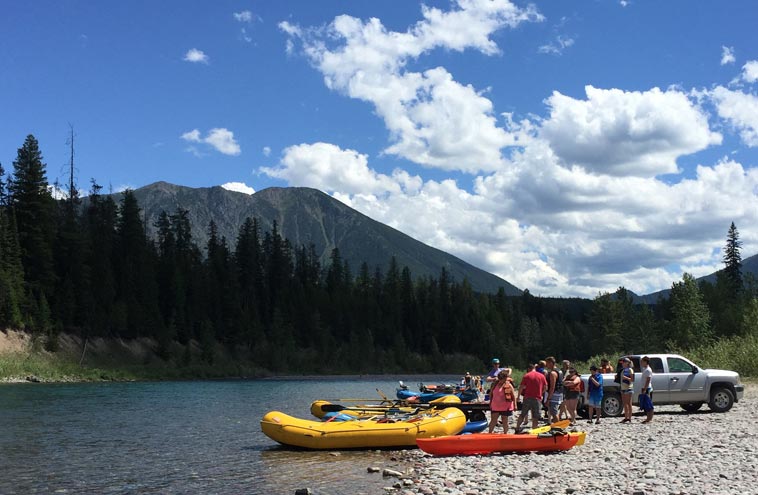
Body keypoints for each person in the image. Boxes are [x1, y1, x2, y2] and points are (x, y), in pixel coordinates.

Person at [515, 363, 547, 431]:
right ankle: (534, 429)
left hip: (527, 397)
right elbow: (545, 387)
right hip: (537, 398)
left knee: (523, 414)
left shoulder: (526, 376)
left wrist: (518, 396)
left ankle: (517, 427)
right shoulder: (542, 376)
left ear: (529, 369)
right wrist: (541, 393)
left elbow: (521, 387)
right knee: (535, 416)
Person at [488, 368, 517, 433]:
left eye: (504, 379)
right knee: (493, 420)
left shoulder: (509, 385)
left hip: (505, 406)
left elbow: (513, 396)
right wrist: (490, 403)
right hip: (495, 406)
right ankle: (490, 433)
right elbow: (491, 394)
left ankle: (505, 433)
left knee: (505, 420)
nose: (502, 381)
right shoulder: (495, 384)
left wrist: (515, 405)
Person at [543, 357, 564, 424]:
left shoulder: (553, 373)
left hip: (554, 394)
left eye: (547, 363)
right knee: (553, 411)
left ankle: (558, 427)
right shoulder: (559, 371)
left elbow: (552, 387)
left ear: (551, 363)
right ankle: (555, 426)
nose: (546, 365)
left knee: (554, 412)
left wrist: (548, 399)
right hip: (559, 393)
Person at [639, 356, 654, 423]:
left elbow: (648, 380)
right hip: (644, 388)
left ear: (645, 362)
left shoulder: (648, 370)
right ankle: (648, 417)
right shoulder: (645, 369)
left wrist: (645, 389)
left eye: (642, 362)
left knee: (649, 404)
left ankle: (649, 418)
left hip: (647, 388)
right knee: (646, 404)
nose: (641, 363)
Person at [619, 357, 635, 423]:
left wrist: (625, 377)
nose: (622, 364)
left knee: (629, 403)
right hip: (623, 388)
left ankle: (630, 418)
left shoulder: (630, 370)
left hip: (628, 388)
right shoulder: (623, 370)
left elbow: (632, 380)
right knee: (624, 403)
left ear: (627, 363)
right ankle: (626, 417)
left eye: (624, 362)